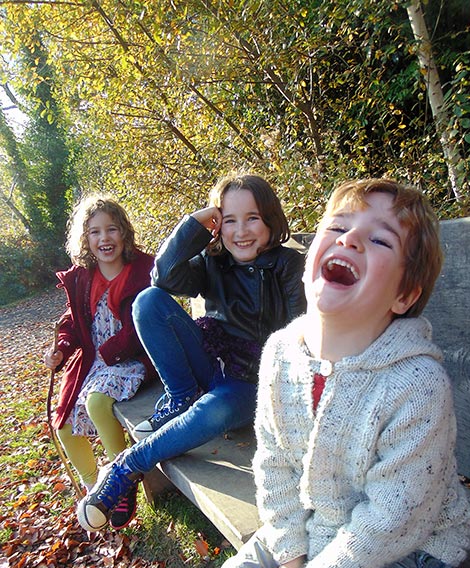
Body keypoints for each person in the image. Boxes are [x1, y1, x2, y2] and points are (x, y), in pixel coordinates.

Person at [205, 178, 470, 568]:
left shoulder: (416, 385)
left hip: (407, 550)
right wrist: (289, 556)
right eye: (338, 227)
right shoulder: (283, 351)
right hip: (317, 525)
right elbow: (275, 462)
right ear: (311, 262)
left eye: (379, 242)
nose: (351, 240)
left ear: (403, 297)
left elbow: (390, 525)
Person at [76, 173, 307, 532]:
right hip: (211, 359)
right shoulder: (214, 259)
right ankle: (181, 396)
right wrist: (193, 225)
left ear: (271, 220)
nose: (241, 231)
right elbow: (163, 278)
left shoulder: (288, 266)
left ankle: (127, 466)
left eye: (252, 218)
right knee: (148, 301)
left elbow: (299, 333)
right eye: (229, 220)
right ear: (217, 224)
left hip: (250, 383)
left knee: (213, 410)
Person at [44, 195, 156, 529]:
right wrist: (62, 348)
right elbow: (73, 321)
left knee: (96, 403)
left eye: (111, 229)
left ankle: (120, 482)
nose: (104, 238)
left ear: (124, 233)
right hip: (94, 362)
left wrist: (112, 352)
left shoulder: (141, 271)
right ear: (85, 240)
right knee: (62, 423)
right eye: (95, 232)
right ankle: (96, 488)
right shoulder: (83, 277)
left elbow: (145, 322)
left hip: (132, 360)